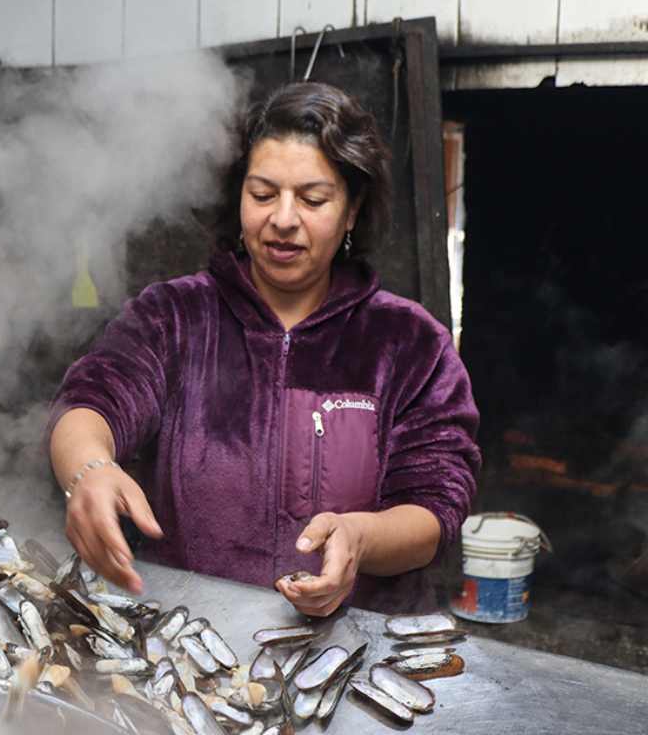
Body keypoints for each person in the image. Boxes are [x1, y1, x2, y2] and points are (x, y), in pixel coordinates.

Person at [47, 83, 480, 615]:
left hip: (355, 643)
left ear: (351, 210)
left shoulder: (410, 342)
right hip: (192, 637)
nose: (283, 218)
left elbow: (435, 507)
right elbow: (90, 401)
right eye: (263, 194)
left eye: (313, 199)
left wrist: (361, 539)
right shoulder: (174, 315)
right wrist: (88, 470)